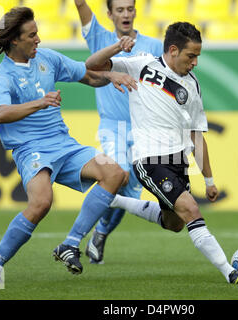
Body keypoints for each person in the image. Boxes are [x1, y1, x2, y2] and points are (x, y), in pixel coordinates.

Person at [0, 6, 138, 283]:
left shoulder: (47, 59)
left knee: (115, 174)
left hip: (65, 145)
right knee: (41, 203)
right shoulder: (3, 76)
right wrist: (40, 102)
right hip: (31, 148)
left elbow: (88, 75)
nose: (38, 39)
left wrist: (111, 76)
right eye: (32, 35)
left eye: (37, 33)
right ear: (15, 39)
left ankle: (70, 244)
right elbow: (1, 113)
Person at [85, 22, 238, 284]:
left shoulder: (193, 86)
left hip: (178, 162)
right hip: (148, 160)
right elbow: (91, 65)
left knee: (174, 223)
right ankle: (230, 272)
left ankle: (115, 200)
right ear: (173, 50)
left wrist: (209, 180)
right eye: (191, 56)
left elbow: (197, 135)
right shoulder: (141, 65)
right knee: (191, 209)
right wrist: (118, 46)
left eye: (198, 56)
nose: (195, 62)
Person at [72, 0, 163, 265]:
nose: (125, 14)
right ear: (110, 14)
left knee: (128, 193)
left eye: (130, 9)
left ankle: (100, 233)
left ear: (135, 12)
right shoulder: (100, 37)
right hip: (113, 126)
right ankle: (77, 236)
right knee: (118, 176)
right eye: (120, 10)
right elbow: (79, 4)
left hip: (144, 129)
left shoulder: (154, 46)